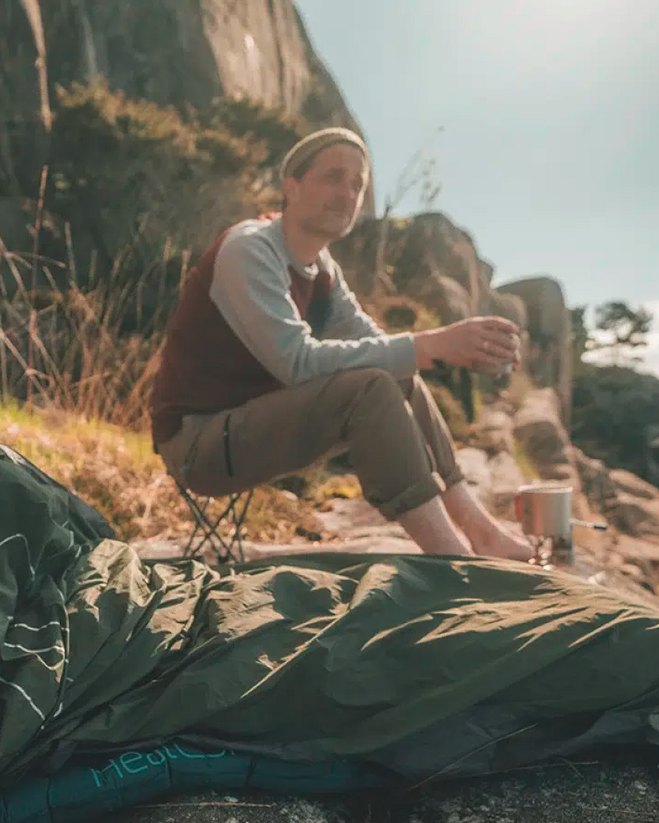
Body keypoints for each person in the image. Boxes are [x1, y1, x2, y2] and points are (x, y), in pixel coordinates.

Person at [150, 126, 533, 560]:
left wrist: (458, 349)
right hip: (197, 445)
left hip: (253, 427)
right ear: (291, 187)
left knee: (398, 376)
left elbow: (375, 344)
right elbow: (297, 362)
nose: (348, 194)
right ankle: (451, 558)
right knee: (369, 388)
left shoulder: (323, 270)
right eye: (333, 178)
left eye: (357, 184)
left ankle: (478, 529)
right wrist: (429, 343)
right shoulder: (250, 250)